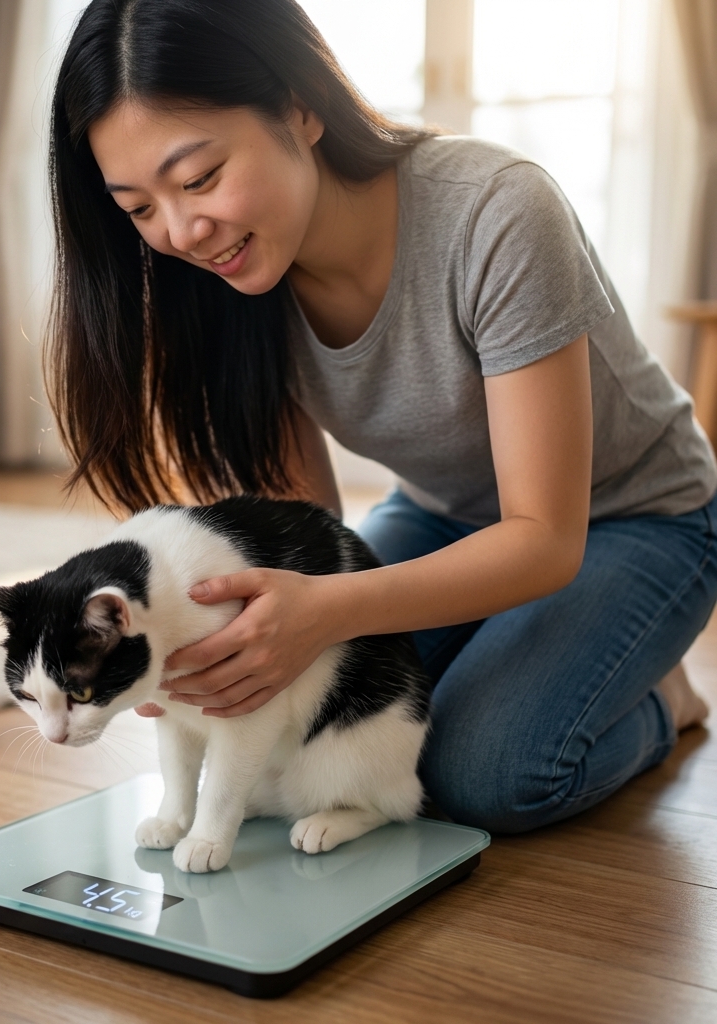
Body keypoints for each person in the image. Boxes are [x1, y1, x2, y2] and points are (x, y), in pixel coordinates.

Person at [46, 0, 715, 832]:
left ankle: (665, 699)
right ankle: (537, 654)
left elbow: (545, 536)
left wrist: (324, 614)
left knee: (482, 773)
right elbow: (298, 531)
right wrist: (217, 648)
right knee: (306, 743)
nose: (182, 230)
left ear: (300, 105)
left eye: (199, 178)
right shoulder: (225, 287)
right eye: (139, 208)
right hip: (443, 516)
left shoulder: (496, 212)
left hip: (638, 518)